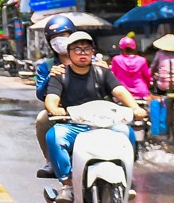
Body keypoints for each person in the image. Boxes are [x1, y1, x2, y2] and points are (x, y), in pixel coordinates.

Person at [40, 30, 147, 180]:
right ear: (69, 52)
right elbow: (51, 99)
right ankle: (67, 182)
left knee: (127, 132)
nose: (82, 53)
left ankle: (126, 177)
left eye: (87, 49)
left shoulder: (103, 72)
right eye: (77, 49)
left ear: (93, 52)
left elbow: (120, 91)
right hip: (74, 125)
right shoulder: (60, 75)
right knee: (54, 136)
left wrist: (135, 107)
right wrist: (55, 109)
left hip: (106, 124)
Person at [34, 15, 79, 161]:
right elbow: (41, 94)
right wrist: (50, 77)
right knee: (42, 119)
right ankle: (50, 160)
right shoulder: (46, 67)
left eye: (63, 35)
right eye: (54, 37)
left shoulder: (90, 61)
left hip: (90, 110)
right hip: (60, 112)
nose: (59, 40)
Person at [109, 34, 153, 99]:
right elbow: (147, 77)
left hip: (123, 93)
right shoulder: (142, 60)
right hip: (141, 92)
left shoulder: (116, 59)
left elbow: (112, 76)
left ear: (121, 48)